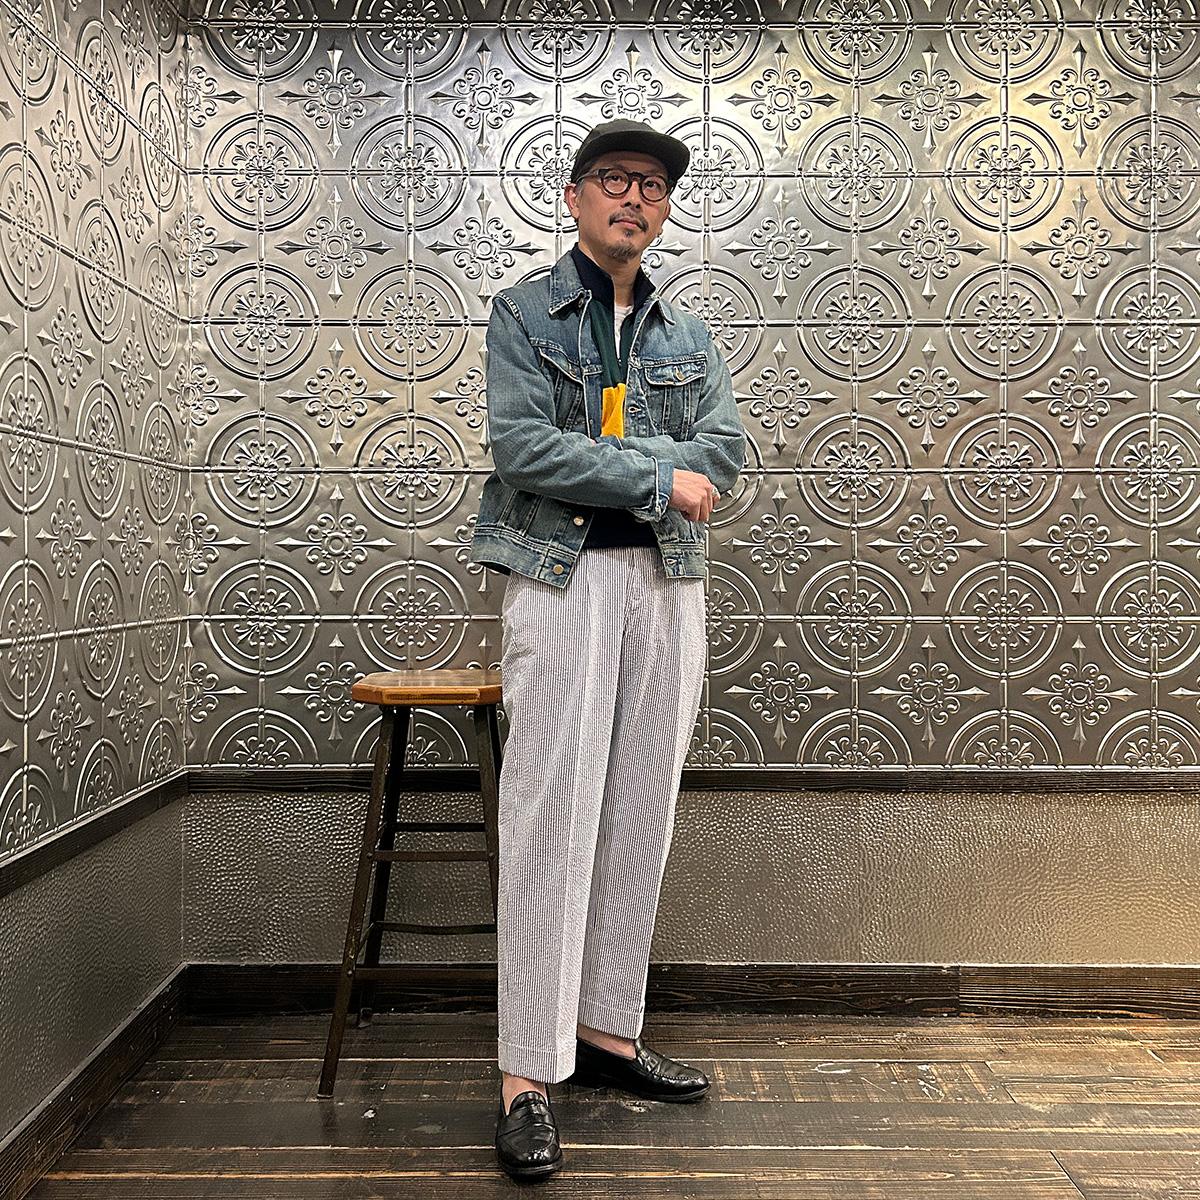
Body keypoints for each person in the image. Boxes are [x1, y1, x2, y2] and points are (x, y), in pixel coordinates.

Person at [468, 117, 748, 1182]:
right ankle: (526, 1075)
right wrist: (655, 474)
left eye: (654, 187)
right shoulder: (523, 312)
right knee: (551, 812)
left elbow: (725, 454)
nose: (637, 198)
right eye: (617, 180)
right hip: (562, 579)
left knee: (640, 809)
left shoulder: (690, 336)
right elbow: (523, 449)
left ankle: (605, 1033)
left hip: (668, 585)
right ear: (576, 196)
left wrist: (638, 463)